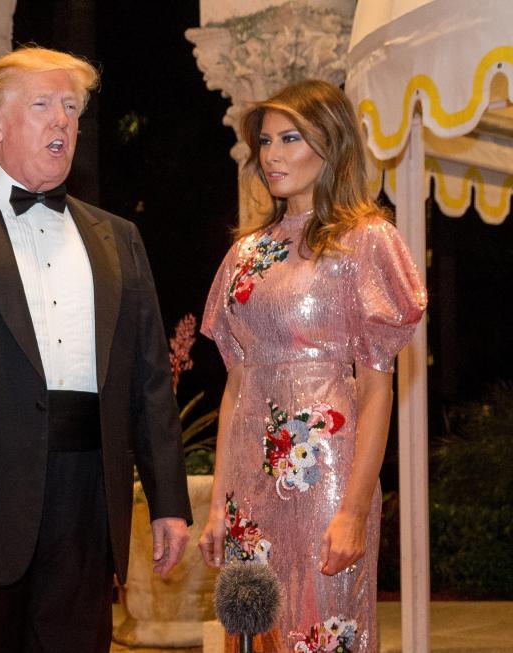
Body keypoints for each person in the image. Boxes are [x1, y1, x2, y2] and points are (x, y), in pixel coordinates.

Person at [0, 46, 192, 652]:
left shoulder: (117, 238)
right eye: (42, 104)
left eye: (70, 108)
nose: (62, 121)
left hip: (87, 503)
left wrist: (168, 502)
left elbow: (149, 381)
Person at [198, 80, 427, 653]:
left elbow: (377, 390)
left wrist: (353, 509)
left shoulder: (367, 241)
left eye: (289, 138)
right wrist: (217, 506)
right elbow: (236, 387)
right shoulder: (245, 254)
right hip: (248, 484)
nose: (270, 155)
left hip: (326, 474)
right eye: (266, 141)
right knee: (254, 635)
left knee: (323, 631)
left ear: (332, 144)